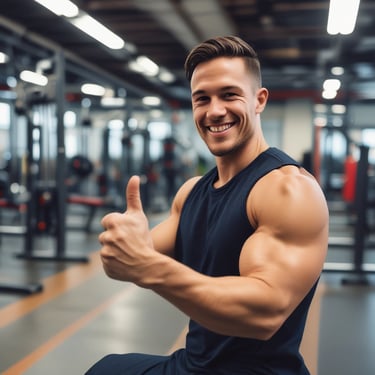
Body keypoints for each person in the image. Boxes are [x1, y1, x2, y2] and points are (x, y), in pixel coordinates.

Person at [86, 36, 329, 375]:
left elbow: (266, 312)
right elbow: (130, 260)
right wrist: (121, 244)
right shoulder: (190, 193)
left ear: (259, 100)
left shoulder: (287, 189)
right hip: (194, 365)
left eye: (229, 95)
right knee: (107, 368)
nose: (214, 111)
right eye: (202, 99)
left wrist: (150, 268)